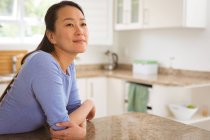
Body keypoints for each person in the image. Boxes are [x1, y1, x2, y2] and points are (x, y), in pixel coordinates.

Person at [0, 1, 95, 139]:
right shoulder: (42, 62)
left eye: (83, 24)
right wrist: (90, 103)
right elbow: (60, 127)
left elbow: (74, 109)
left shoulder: (69, 65)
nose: (80, 30)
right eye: (69, 24)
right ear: (51, 36)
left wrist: (82, 126)